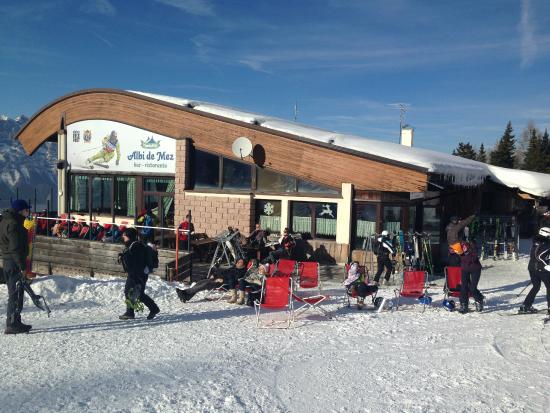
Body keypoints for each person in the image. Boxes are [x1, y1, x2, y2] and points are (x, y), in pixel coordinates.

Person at [0, 199, 32, 334]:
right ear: (20, 211)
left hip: (9, 261)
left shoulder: (8, 220)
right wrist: (22, 267)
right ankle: (12, 324)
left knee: (16, 292)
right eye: (26, 210)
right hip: (13, 263)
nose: (28, 212)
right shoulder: (13, 223)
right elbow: (15, 248)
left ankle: (15, 321)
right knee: (15, 293)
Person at [118, 227, 160, 320]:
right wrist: (123, 256)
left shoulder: (136, 246)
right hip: (138, 274)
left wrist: (124, 257)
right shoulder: (133, 245)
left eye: (124, 236)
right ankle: (153, 308)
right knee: (138, 294)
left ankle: (130, 313)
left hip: (137, 274)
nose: (123, 237)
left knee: (129, 291)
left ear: (129, 236)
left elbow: (137, 262)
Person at [518, 227, 550, 314]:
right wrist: (547, 265)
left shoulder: (536, 241)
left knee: (536, 287)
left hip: (532, 268)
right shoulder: (546, 243)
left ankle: (526, 306)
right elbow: (539, 257)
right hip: (542, 269)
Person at [458, 241, 484, 314]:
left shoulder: (473, 249)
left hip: (475, 269)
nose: (463, 247)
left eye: (465, 246)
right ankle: (464, 305)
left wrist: (466, 253)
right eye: (462, 246)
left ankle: (479, 300)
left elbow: (473, 259)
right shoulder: (460, 250)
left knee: (472, 288)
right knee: (463, 287)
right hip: (465, 270)